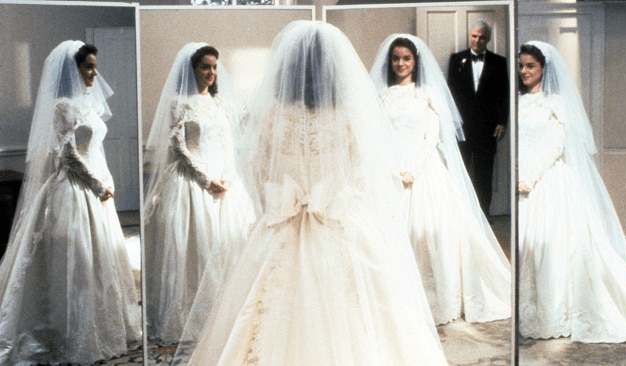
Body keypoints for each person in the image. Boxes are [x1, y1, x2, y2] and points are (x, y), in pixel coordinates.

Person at [172, 21, 449, 365]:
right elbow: (362, 176)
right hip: (337, 222)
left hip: (282, 225)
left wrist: (274, 205)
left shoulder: (273, 114)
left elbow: (256, 170)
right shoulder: (348, 115)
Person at [0, 40, 141, 364]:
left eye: (95, 65)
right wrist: (95, 184)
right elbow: (68, 154)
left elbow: (95, 149)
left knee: (100, 257)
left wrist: (108, 181)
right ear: (73, 69)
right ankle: (66, 334)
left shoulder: (88, 104)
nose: (94, 72)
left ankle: (103, 325)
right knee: (75, 259)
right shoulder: (63, 106)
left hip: (96, 190)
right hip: (74, 190)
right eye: (88, 66)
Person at [369, 34, 510, 325]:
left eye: (406, 58)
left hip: (422, 170)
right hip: (391, 169)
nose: (400, 64)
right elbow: (378, 137)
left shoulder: (428, 95)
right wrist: (393, 167)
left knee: (428, 232)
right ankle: (397, 300)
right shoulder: (381, 95)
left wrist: (414, 170)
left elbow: (432, 136)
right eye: (396, 58)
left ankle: (435, 299)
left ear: (416, 62)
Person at [518, 41, 626, 342]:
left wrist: (530, 177)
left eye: (530, 66)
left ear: (544, 69)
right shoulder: (520, 102)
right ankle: (532, 309)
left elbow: (555, 144)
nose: (524, 71)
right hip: (524, 180)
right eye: (522, 65)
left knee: (553, 246)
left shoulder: (557, 103)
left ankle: (557, 311)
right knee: (529, 247)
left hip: (548, 180)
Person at [143, 43, 258, 344]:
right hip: (191, 183)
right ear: (192, 69)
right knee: (194, 249)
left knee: (227, 245)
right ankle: (191, 319)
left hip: (223, 183)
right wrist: (206, 179)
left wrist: (227, 178)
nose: (211, 72)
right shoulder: (179, 103)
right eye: (205, 66)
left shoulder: (220, 104)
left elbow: (227, 144)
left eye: (214, 67)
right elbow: (179, 147)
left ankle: (224, 313)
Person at [447, 20, 509, 216]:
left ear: (488, 39)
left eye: (482, 37)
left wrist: (502, 121)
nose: (477, 40)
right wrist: (451, 123)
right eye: (474, 36)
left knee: (484, 175)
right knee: (460, 172)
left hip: (487, 129)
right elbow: (450, 94)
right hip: (462, 129)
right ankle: (462, 216)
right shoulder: (456, 59)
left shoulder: (499, 62)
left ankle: (484, 215)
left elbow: (504, 94)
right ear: (469, 36)